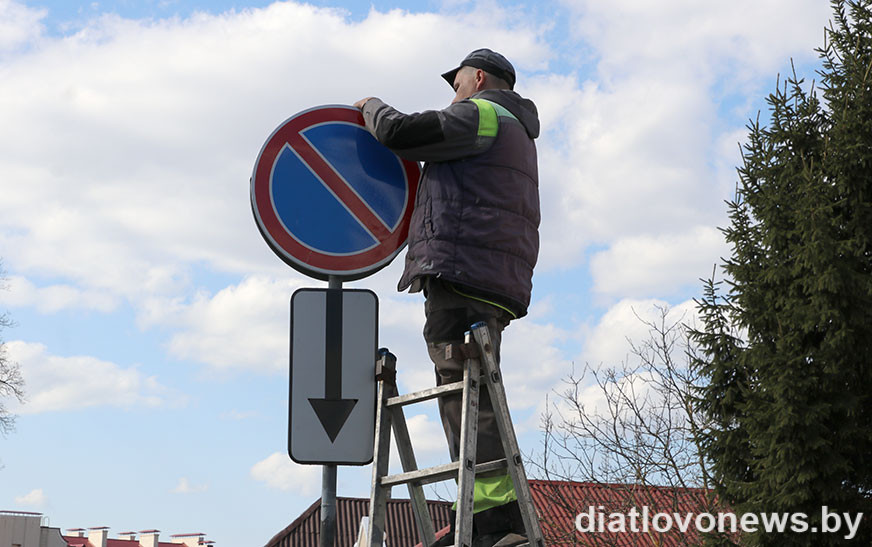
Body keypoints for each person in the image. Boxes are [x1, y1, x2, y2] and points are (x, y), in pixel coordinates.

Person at [354, 48, 540, 547]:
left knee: (461, 389)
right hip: (497, 276)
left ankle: (495, 518)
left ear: (478, 78)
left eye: (456, 84)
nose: (454, 95)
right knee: (471, 389)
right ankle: (478, 509)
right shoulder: (518, 131)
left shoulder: (483, 113)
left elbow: (403, 133)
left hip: (462, 270)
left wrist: (369, 106)